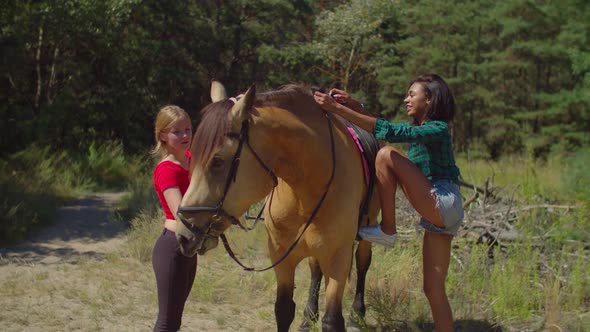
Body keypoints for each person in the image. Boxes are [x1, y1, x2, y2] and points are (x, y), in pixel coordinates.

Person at [313, 74, 463, 332]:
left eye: (412, 94)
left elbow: (391, 132)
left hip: (443, 199)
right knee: (433, 289)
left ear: (429, 99)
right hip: (439, 215)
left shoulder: (437, 128)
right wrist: (355, 106)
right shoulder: (420, 130)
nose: (406, 99)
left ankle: (388, 230)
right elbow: (386, 128)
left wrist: (337, 109)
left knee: (385, 155)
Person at [150, 105, 196, 332]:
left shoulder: (191, 159)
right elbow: (182, 212)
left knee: (175, 320)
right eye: (177, 131)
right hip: (173, 246)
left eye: (188, 129)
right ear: (163, 136)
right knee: (167, 322)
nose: (185, 135)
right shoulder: (166, 169)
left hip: (189, 247)